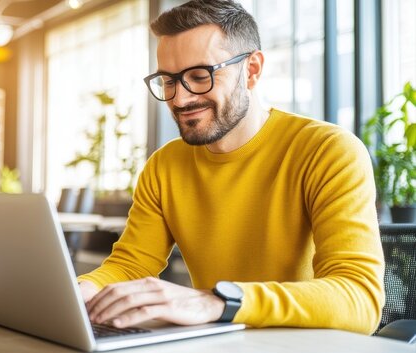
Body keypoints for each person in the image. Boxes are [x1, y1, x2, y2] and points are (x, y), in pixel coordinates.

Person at [77, 0, 384, 335]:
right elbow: (130, 264)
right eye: (168, 81)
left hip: (306, 349)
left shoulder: (327, 151)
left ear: (251, 70)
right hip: (220, 346)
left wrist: (220, 302)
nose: (180, 99)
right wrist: (80, 292)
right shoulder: (165, 166)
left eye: (199, 76)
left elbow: (360, 299)